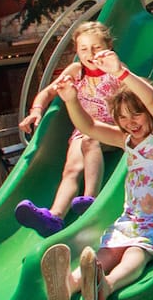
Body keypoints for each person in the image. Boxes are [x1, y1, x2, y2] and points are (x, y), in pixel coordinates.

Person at [37, 49, 153, 300]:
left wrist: (121, 73)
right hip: (133, 219)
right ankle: (70, 283)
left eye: (136, 114)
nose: (129, 122)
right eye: (122, 117)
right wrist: (71, 101)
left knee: (136, 252)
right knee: (106, 251)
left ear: (149, 114)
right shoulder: (127, 141)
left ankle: (106, 286)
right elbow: (89, 128)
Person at [14, 22, 122, 236]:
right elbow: (46, 93)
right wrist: (36, 111)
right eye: (84, 49)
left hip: (112, 129)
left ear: (108, 46)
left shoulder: (115, 68)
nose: (90, 53)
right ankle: (54, 217)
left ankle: (91, 199)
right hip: (83, 130)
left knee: (91, 140)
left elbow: (133, 93)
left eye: (96, 47)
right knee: (71, 169)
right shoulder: (76, 71)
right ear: (77, 51)